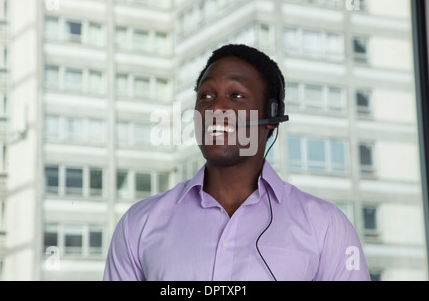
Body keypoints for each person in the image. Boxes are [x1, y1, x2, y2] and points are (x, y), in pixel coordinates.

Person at [103, 44, 370, 281]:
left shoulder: (326, 226)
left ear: (272, 118)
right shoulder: (138, 225)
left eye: (237, 96)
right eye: (205, 96)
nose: (216, 109)